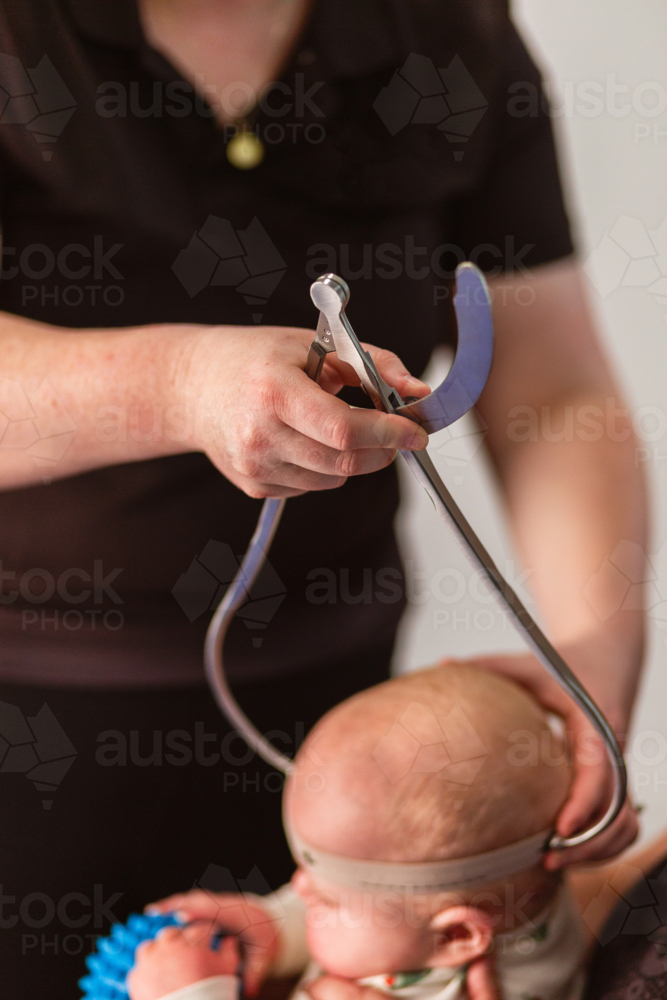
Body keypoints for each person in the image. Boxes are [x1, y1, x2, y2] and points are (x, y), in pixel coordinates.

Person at [0, 1, 645, 996]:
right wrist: (175, 386)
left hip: (350, 741)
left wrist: (594, 652)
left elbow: (553, 393)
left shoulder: (450, 29)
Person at [126, 663, 588, 1000]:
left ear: (455, 937)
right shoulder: (491, 915)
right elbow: (379, 931)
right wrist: (273, 926)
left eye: (326, 901)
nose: (299, 887)